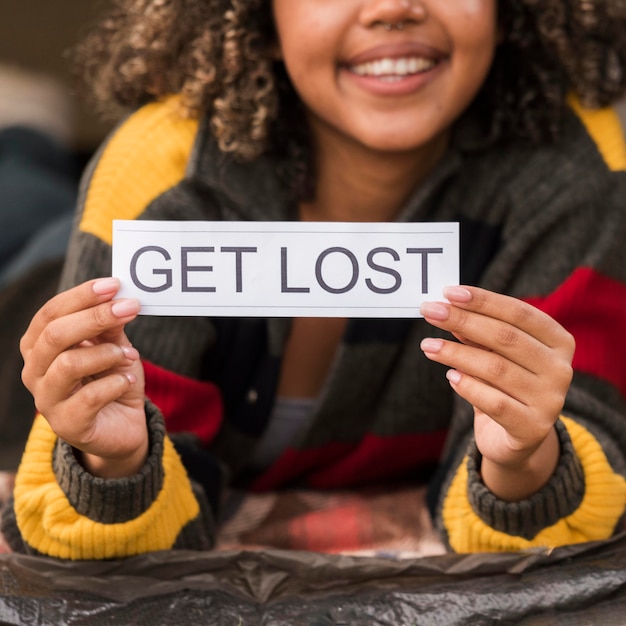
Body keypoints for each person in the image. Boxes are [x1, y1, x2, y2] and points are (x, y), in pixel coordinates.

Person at [2, 0, 626, 560]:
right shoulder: (159, 175)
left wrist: (527, 461)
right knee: (19, 195)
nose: (393, 8)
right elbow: (88, 517)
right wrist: (112, 460)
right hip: (34, 275)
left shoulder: (577, 170)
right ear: (257, 17)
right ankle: (24, 125)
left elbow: (587, 456)